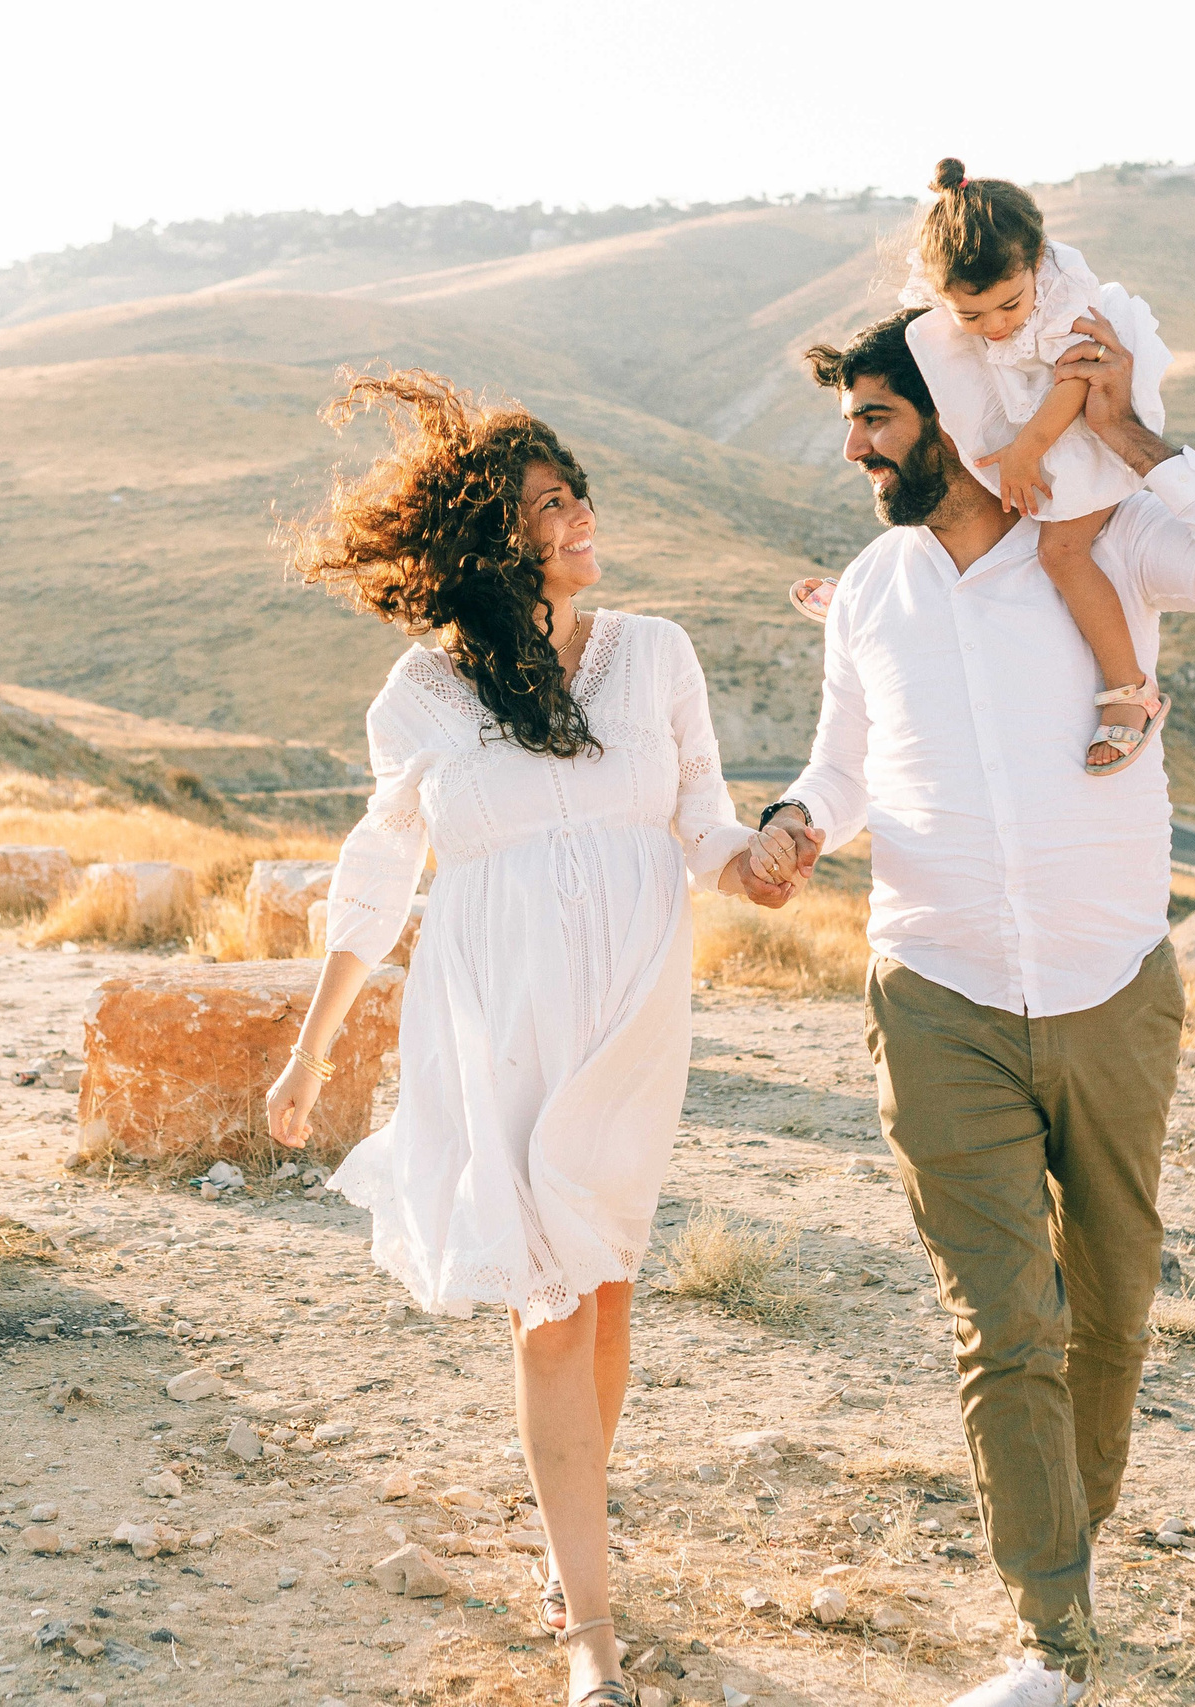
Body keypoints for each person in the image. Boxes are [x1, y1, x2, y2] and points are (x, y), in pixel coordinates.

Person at [756, 310, 1195, 1707]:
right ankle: (1051, 1639)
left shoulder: (1105, 544)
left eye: (878, 417)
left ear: (948, 409)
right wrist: (790, 824)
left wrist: (1123, 430)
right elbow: (843, 767)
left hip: (1112, 980)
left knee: (1112, 1308)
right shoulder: (877, 591)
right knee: (1004, 1321)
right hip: (935, 987)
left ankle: (1071, 1528)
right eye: (854, 422)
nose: (857, 446)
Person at [262, 370, 801, 1707]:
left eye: (575, 494)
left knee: (604, 1285)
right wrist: (312, 1046)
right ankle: (590, 1636)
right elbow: (380, 869)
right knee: (551, 1303)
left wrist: (761, 858)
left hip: (630, 1014)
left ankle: (575, 1545)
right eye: (548, 504)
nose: (579, 517)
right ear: (491, 542)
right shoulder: (427, 693)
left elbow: (702, 819)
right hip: (497, 1019)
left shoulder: (655, 652)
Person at [789, 159, 1176, 778]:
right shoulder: (956, 296)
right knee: (930, 472)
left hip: (1082, 442)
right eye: (971, 318)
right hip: (1029, 430)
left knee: (1061, 553)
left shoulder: (1061, 301)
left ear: (1035, 263)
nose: (995, 328)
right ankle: (870, 601)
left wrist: (1026, 450)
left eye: (1007, 307)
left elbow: (1078, 378)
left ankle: (1131, 692)